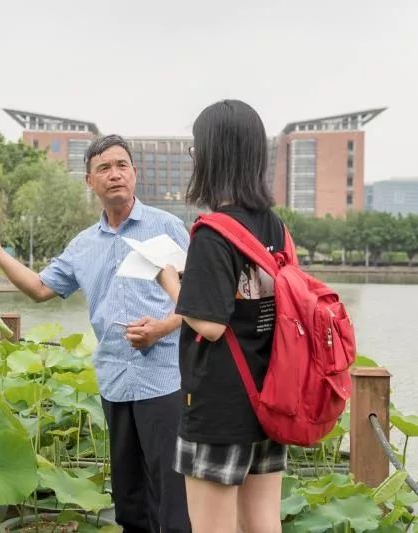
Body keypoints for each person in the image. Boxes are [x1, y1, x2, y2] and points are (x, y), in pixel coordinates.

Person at [0, 134, 191, 533]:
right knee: (130, 499)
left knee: (171, 499)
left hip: (164, 380)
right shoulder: (84, 244)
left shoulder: (167, 227)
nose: (114, 175)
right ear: (89, 181)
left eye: (121, 166)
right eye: (104, 168)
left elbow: (197, 301)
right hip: (115, 381)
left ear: (134, 173)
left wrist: (162, 328)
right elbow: (40, 288)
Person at [156, 99, 285, 533]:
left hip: (219, 407)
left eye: (196, 149)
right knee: (263, 523)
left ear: (212, 154)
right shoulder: (275, 227)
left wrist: (168, 280)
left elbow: (208, 324)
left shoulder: (213, 232)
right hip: (270, 394)